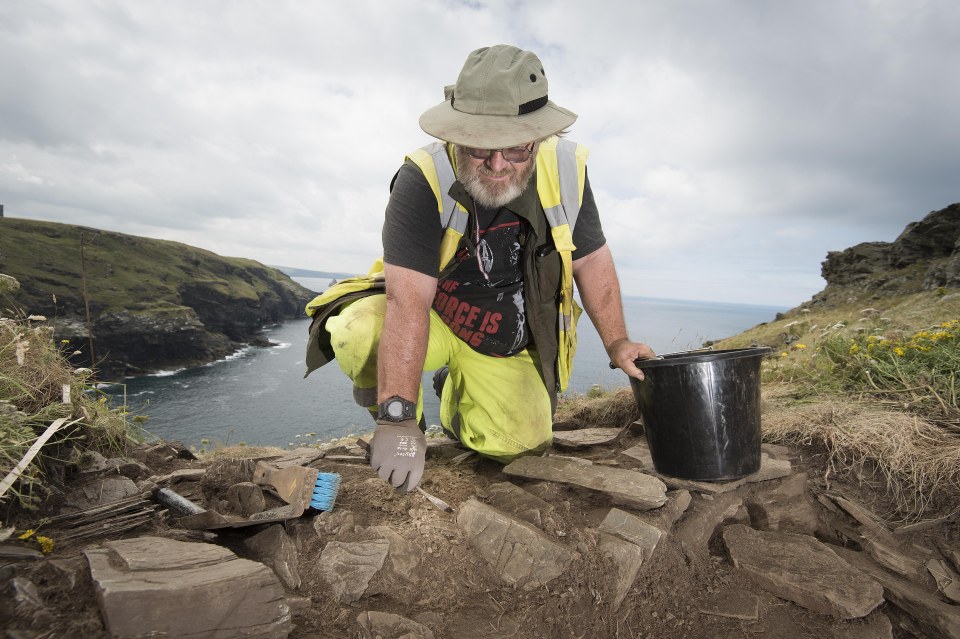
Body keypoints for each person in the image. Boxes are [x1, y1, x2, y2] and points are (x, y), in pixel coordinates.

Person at [304, 44, 654, 492]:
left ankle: (453, 397)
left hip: (501, 342)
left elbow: (591, 258)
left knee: (520, 445)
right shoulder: (422, 178)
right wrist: (397, 417)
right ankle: (406, 403)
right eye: (479, 148)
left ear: (537, 137)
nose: (496, 165)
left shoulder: (567, 170)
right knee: (356, 332)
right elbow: (407, 301)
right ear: (457, 133)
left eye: (515, 150)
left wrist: (618, 340)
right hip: (430, 323)